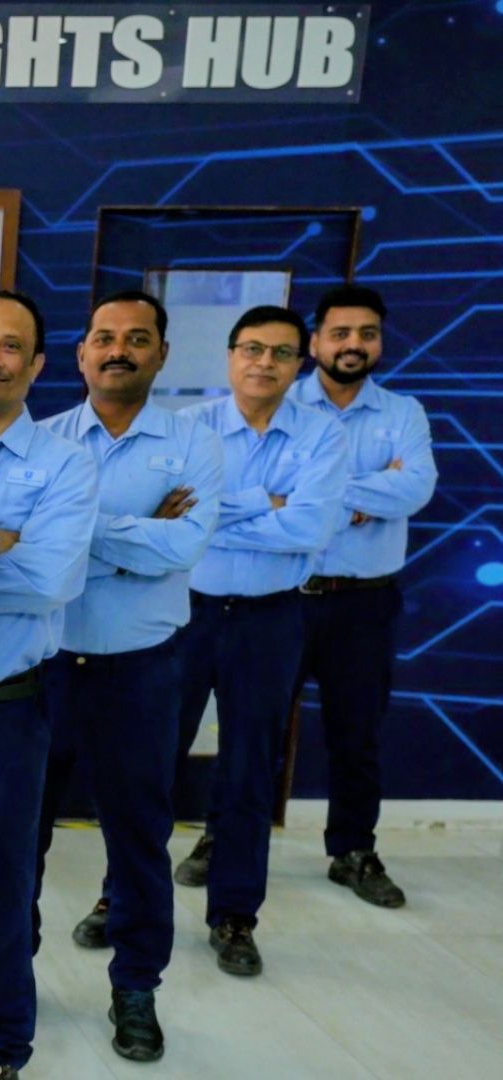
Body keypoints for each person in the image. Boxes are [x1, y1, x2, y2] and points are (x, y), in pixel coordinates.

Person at [37, 290, 221, 1063]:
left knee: (141, 837)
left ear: (161, 354)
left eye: (137, 338)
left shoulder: (196, 444)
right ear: (81, 353)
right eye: (104, 337)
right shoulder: (42, 442)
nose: (119, 349)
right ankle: (9, 975)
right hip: (42, 669)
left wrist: (74, 533)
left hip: (142, 670)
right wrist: (137, 531)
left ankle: (136, 987)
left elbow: (182, 549)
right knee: (18, 836)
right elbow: (19, 547)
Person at [0, 291, 98, 1080]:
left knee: (0, 890)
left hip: (3, 709)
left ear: (35, 365)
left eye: (10, 347)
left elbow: (50, 579)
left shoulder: (66, 463)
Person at [174, 306, 346, 978]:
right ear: (230, 356)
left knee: (249, 772)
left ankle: (234, 916)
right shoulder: (188, 428)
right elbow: (177, 521)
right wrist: (267, 502)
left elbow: (310, 528)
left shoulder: (323, 435)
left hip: (271, 619)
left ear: (300, 364)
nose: (264, 363)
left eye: (280, 352)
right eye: (252, 349)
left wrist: (221, 512)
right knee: (150, 763)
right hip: (185, 613)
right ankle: (119, 899)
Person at [290, 285, 436, 908]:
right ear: (315, 341)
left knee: (357, 735)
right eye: (341, 333)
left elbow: (416, 490)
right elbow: (258, 489)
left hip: (363, 603)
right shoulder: (280, 406)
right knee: (253, 730)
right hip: (281, 598)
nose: (354, 344)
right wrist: (368, 491)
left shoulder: (404, 413)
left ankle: (353, 850)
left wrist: (313, 495)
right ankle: (223, 840)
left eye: (367, 334)